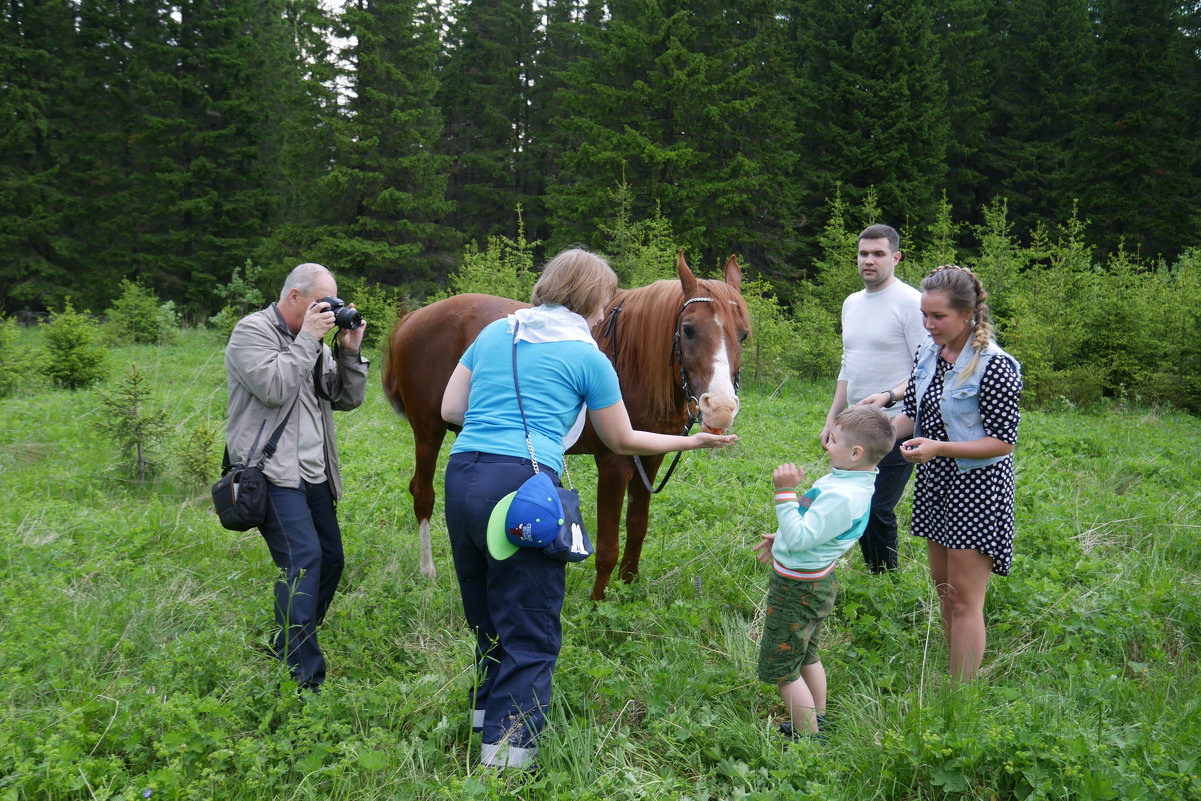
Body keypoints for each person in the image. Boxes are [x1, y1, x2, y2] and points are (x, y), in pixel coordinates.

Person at [440, 247, 738, 770]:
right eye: (605, 300)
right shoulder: (589, 358)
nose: (607, 311)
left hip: (463, 476)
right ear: (591, 300)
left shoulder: (494, 334)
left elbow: (450, 410)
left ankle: (484, 720)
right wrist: (692, 444)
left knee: (488, 613)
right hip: (522, 487)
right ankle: (505, 764)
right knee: (532, 627)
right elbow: (621, 439)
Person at [224, 262, 368, 691]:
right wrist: (309, 338)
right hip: (269, 473)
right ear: (294, 298)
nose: (330, 311)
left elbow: (346, 398)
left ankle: (290, 637)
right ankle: (305, 678)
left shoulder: (318, 344)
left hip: (314, 472)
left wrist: (348, 349)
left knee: (331, 561)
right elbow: (273, 386)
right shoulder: (251, 332)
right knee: (302, 562)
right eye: (323, 303)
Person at [882, 265, 1022, 683]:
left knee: (964, 600)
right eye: (925, 315)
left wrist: (939, 447)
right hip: (935, 482)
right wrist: (870, 436)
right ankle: (955, 672)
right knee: (945, 591)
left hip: (975, 488)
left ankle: (961, 698)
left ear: (968, 314)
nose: (928, 325)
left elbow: (1003, 442)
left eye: (938, 317)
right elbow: (912, 415)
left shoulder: (995, 366)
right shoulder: (929, 352)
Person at [754, 406, 895, 739]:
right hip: (816, 581)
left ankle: (805, 738)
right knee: (807, 654)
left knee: (783, 669)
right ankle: (818, 718)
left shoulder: (842, 495)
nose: (825, 444)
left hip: (796, 589)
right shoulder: (851, 481)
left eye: (832, 439)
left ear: (855, 452)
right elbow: (816, 529)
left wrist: (784, 493)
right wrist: (783, 535)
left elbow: (803, 538)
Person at [821, 224, 926, 574]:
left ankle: (884, 579)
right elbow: (847, 365)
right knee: (855, 500)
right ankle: (866, 571)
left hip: (897, 423)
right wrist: (833, 418)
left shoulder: (912, 303)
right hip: (854, 426)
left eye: (878, 254)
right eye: (863, 253)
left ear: (895, 258)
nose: (869, 260)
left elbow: (926, 369)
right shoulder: (851, 303)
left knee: (879, 505)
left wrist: (888, 396)